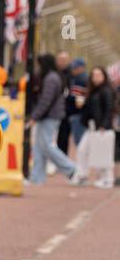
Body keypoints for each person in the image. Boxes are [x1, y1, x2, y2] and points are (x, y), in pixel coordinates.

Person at [27, 53, 82, 186]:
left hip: (49, 116)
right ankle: (37, 177)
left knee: (46, 146)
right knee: (39, 147)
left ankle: (71, 169)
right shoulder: (54, 76)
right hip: (49, 115)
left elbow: (46, 100)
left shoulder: (51, 78)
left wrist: (34, 117)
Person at [74, 66, 115, 188]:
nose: (96, 78)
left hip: (101, 127)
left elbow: (109, 109)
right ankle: (82, 175)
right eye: (94, 75)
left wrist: (104, 125)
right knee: (82, 150)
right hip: (92, 126)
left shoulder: (106, 91)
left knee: (102, 153)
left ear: (104, 76)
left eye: (99, 75)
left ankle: (107, 178)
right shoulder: (93, 91)